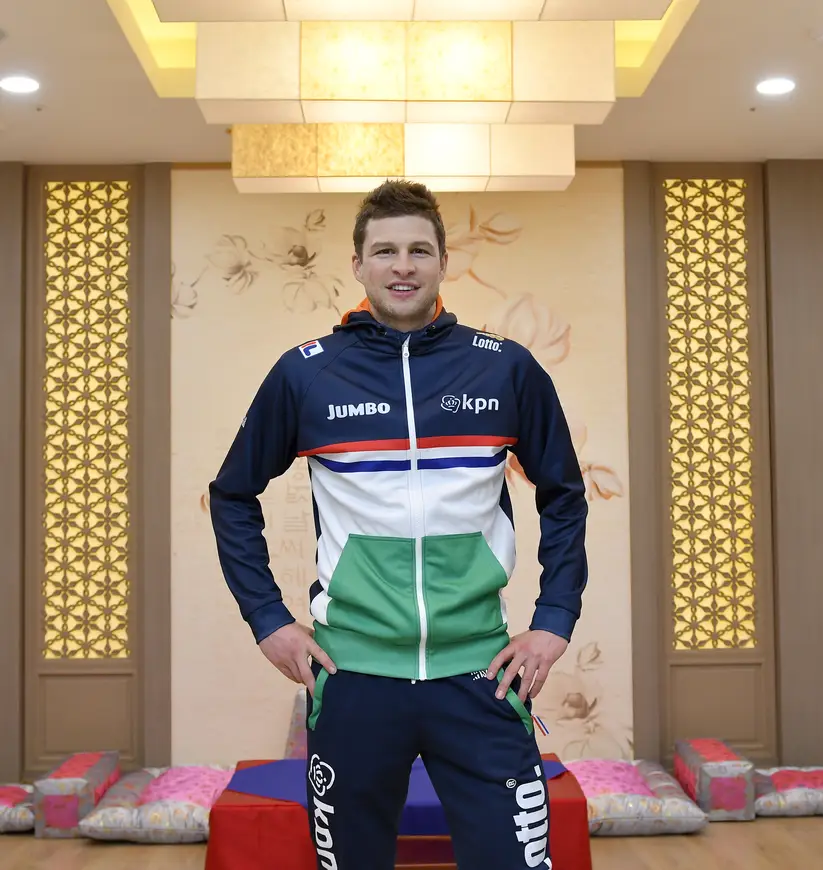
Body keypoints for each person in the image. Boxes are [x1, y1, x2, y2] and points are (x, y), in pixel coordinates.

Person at [209, 179, 589, 870]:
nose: (403, 266)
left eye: (419, 250)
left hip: (480, 673)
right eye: (385, 251)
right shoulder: (305, 374)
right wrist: (267, 619)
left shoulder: (505, 368)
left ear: (444, 261)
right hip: (353, 677)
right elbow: (232, 494)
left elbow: (563, 494)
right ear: (358, 265)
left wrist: (554, 619)